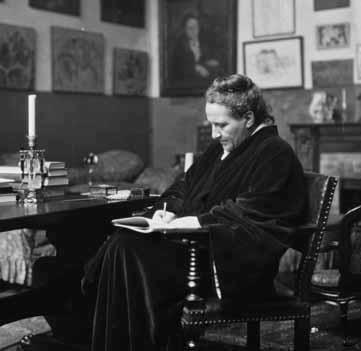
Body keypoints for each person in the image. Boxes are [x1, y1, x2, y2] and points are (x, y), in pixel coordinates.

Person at [81, 73, 307, 350]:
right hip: (193, 248)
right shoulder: (220, 148)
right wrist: (165, 212)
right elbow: (182, 188)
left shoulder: (275, 153)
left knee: (129, 252)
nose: (214, 134)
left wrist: (194, 221)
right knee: (122, 244)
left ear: (248, 118)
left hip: (228, 263)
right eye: (211, 124)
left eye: (222, 125)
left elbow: (250, 213)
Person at [170, 13, 221, 82]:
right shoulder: (179, 46)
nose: (193, 30)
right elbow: (178, 67)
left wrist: (210, 63)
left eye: (195, 27)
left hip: (206, 82)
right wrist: (195, 67)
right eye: (190, 28)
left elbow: (215, 61)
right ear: (184, 30)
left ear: (199, 27)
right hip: (186, 84)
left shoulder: (206, 43)